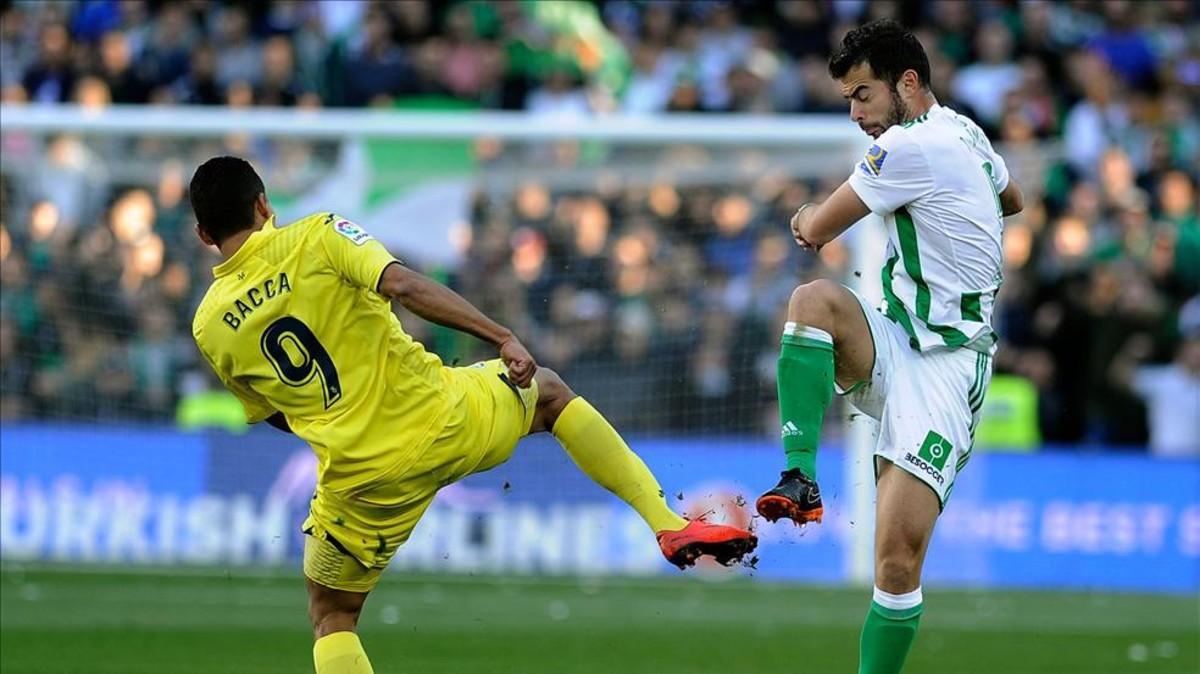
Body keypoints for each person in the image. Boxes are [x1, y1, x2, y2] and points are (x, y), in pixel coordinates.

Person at [188, 156, 756, 674]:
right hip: (445, 418)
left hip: (361, 480)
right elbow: (404, 285)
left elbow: (273, 413)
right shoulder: (317, 234)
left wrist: (343, 427)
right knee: (551, 395)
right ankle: (667, 523)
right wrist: (501, 335)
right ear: (265, 204)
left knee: (331, 615)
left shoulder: (209, 324)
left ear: (203, 234)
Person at [752, 20, 1023, 674]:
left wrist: (802, 219)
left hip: (948, 368)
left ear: (908, 83)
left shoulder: (906, 149)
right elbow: (1010, 197)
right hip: (896, 336)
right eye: (848, 99)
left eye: (863, 95)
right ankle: (800, 476)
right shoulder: (967, 133)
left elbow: (816, 228)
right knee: (813, 302)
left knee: (896, 562)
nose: (855, 114)